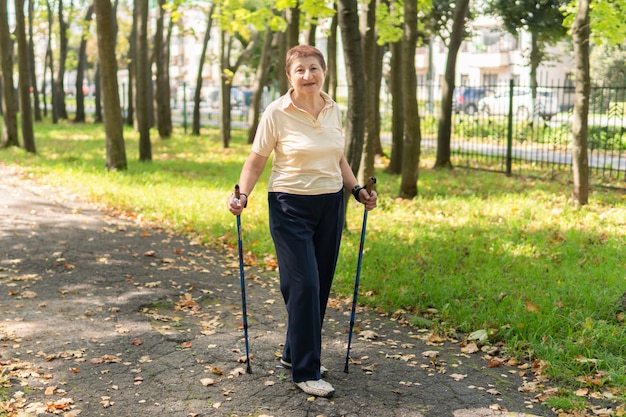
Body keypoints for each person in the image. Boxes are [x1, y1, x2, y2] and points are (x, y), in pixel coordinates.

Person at [226, 45, 377, 398]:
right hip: (289, 205)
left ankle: (294, 353)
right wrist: (242, 195)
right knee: (304, 284)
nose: (308, 75)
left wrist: (356, 189)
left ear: (324, 71)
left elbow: (338, 158)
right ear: (289, 76)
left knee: (319, 285)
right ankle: (306, 371)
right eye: (300, 70)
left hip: (330, 205)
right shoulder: (277, 112)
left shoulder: (333, 109)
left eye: (314, 68)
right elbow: (256, 159)